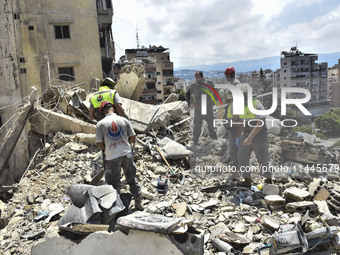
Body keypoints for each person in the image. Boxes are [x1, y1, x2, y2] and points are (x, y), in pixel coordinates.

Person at [96, 101, 143, 210]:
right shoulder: (124, 120)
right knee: (131, 179)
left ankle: (117, 208)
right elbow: (133, 137)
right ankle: (138, 202)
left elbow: (99, 143)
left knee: (114, 184)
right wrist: (124, 145)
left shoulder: (100, 124)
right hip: (127, 154)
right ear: (113, 108)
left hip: (111, 157)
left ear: (102, 112)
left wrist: (107, 149)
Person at [235, 83, 271, 188]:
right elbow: (241, 123)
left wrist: (250, 138)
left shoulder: (257, 105)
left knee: (263, 160)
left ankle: (269, 181)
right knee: (242, 158)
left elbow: (260, 123)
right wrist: (238, 137)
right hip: (246, 135)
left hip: (259, 136)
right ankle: (247, 181)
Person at [187, 71, 217, 146]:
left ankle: (213, 138)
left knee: (211, 123)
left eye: (198, 77)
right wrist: (192, 102)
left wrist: (214, 102)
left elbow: (215, 92)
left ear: (202, 76)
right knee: (197, 125)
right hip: (199, 107)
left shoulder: (209, 83)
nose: (197, 79)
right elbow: (188, 94)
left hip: (208, 106)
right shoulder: (194, 85)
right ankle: (195, 141)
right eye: (196, 77)